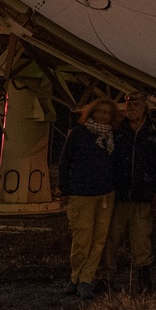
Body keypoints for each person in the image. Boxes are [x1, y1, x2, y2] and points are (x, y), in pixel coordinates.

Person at [97, 91, 156, 294]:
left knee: (141, 240)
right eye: (129, 106)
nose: (132, 109)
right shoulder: (118, 130)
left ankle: (144, 279)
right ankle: (106, 278)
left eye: (136, 105)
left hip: (142, 195)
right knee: (111, 239)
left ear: (144, 108)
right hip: (118, 195)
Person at [58, 98, 119, 299]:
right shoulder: (79, 134)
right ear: (91, 113)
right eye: (99, 111)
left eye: (107, 113)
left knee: (99, 240)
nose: (103, 115)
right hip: (81, 194)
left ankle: (85, 280)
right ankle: (75, 277)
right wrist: (65, 189)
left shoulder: (113, 137)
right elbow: (65, 162)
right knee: (82, 240)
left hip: (105, 195)